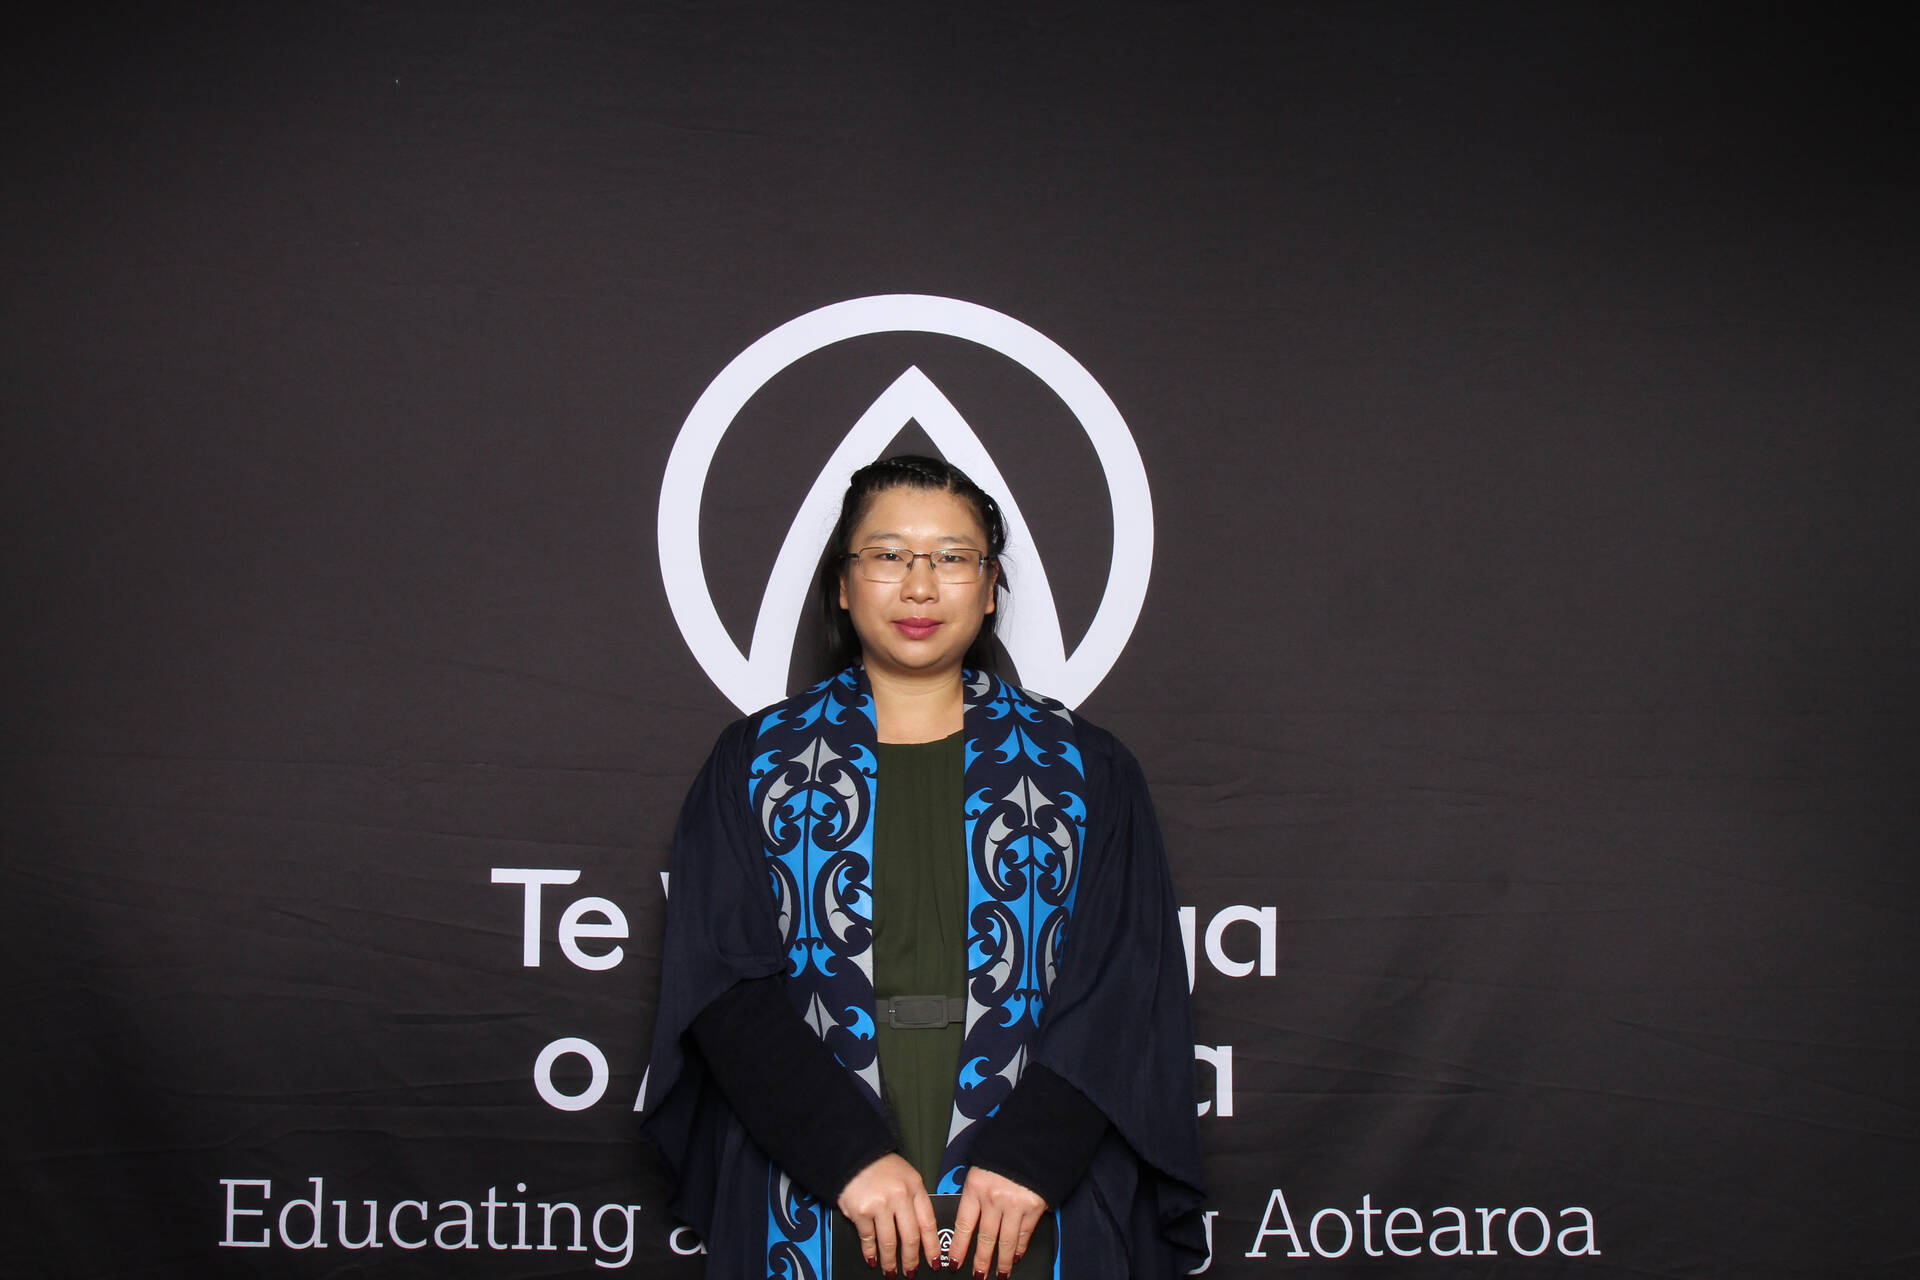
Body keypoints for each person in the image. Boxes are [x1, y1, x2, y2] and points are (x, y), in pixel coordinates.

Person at [643, 455, 1204, 1278]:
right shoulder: (754, 761)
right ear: (842, 584)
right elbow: (723, 985)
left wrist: (1033, 1158)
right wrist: (845, 1157)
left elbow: (1124, 977)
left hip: (1034, 1185)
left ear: (990, 587)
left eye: (951, 557)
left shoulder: (1087, 768)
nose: (918, 586)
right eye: (887, 554)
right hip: (812, 1175)